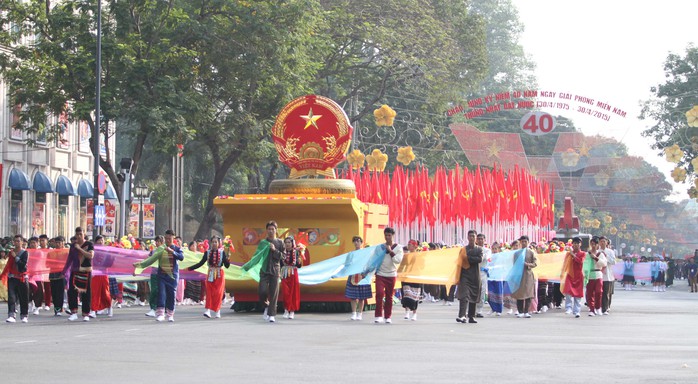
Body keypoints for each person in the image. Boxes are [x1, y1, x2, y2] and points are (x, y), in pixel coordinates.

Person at [133, 229, 184, 322]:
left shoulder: (177, 248)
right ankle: (160, 314)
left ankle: (170, 314)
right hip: (161, 276)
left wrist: (172, 251)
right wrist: (140, 265)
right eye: (166, 238)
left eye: (170, 238)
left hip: (173, 276)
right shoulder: (161, 249)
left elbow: (181, 257)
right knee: (161, 293)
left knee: (171, 295)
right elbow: (151, 260)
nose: (168, 240)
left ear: (173, 238)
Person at [242, 221, 284, 323]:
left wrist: (275, 250)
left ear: (276, 230)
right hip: (264, 271)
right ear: (266, 230)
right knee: (262, 291)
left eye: (272, 229)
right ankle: (266, 306)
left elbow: (283, 257)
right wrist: (247, 266)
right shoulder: (262, 243)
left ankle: (271, 315)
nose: (270, 231)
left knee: (274, 293)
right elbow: (257, 256)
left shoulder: (280, 243)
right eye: (269, 229)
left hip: (275, 270)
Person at [188, 235, 230, 318]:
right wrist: (190, 268)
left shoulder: (222, 253)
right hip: (210, 273)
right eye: (213, 242)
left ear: (219, 243)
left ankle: (217, 311)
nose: (214, 243)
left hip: (219, 274)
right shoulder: (207, 253)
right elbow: (201, 263)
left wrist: (228, 258)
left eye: (216, 242)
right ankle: (208, 310)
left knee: (218, 293)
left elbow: (227, 266)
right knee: (209, 292)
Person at [62, 227, 95, 322]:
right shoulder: (73, 246)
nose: (79, 236)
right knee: (72, 292)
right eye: (77, 234)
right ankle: (74, 313)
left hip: (86, 271)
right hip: (75, 270)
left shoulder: (89, 244)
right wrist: (64, 271)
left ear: (84, 234)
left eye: (81, 234)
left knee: (86, 293)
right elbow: (69, 259)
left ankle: (86, 314)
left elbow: (90, 256)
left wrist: (79, 249)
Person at [373, 227, 403, 324]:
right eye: (386, 235)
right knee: (379, 294)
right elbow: (375, 259)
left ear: (393, 236)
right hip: (380, 274)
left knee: (389, 296)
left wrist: (390, 251)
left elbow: (397, 260)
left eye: (389, 235)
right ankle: (378, 315)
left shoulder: (398, 248)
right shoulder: (380, 247)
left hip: (391, 275)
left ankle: (388, 316)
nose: (387, 237)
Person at [456, 230, 483, 323]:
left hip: (475, 276)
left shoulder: (479, 249)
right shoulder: (463, 249)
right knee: (464, 296)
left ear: (475, 238)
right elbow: (459, 261)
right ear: (467, 238)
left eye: (473, 236)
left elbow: (479, 259)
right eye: (470, 236)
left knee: (474, 296)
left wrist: (467, 258)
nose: (471, 238)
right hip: (464, 276)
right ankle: (462, 315)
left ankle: (471, 316)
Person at [1, 235, 30, 323]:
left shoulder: (25, 253)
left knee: (23, 298)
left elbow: (23, 266)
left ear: (22, 242)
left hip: (22, 278)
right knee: (11, 297)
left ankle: (24, 315)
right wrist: (3, 275)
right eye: (15, 241)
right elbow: (9, 265)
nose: (16, 243)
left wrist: (16, 257)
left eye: (18, 241)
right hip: (12, 277)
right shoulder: (11, 252)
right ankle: (11, 315)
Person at [345, 236, 372, 321]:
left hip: (362, 275)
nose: (356, 243)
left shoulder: (365, 253)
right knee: (352, 296)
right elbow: (347, 264)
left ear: (361, 242)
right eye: (355, 241)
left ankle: (360, 313)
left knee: (362, 296)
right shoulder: (351, 254)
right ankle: (353, 313)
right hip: (353, 275)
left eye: (358, 241)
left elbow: (368, 263)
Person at [512, 236, 537, 319]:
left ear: (528, 242)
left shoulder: (531, 252)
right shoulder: (517, 253)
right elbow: (514, 264)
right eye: (522, 242)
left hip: (528, 275)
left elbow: (535, 263)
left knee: (528, 293)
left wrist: (527, 264)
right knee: (519, 294)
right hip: (519, 275)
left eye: (525, 241)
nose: (523, 243)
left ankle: (526, 311)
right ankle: (520, 311)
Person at [280, 236, 304, 320]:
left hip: (293, 273)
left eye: (289, 242)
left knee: (293, 292)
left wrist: (299, 261)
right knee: (286, 292)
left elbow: (299, 266)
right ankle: (286, 309)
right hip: (285, 273)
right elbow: (280, 264)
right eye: (286, 242)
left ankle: (292, 311)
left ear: (292, 243)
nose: (287, 244)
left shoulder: (296, 252)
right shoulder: (282, 252)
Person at [89, 235, 113, 318]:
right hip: (95, 274)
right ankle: (93, 310)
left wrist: (113, 257)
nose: (101, 242)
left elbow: (110, 263)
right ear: (95, 242)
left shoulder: (107, 251)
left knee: (105, 292)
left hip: (104, 274)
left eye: (102, 240)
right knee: (95, 292)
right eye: (99, 240)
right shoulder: (93, 251)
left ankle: (109, 307)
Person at [562, 237, 585, 318]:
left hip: (578, 275)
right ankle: (568, 308)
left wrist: (573, 255)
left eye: (577, 243)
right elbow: (565, 264)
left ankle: (577, 311)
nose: (575, 245)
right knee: (568, 292)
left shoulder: (582, 254)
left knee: (577, 294)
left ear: (580, 244)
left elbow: (580, 262)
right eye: (574, 243)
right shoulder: (568, 254)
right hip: (570, 275)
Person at [585, 237, 607, 317]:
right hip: (590, 275)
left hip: (598, 274)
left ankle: (598, 307)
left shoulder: (600, 254)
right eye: (592, 244)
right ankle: (591, 309)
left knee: (598, 292)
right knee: (590, 293)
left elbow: (604, 264)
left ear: (597, 245)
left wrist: (596, 258)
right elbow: (584, 264)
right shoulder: (587, 254)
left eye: (595, 244)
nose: (593, 246)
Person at [401, 240, 422, 321]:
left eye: (410, 245)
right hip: (406, 276)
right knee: (406, 293)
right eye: (408, 244)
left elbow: (422, 266)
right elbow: (402, 266)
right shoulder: (406, 255)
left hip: (416, 276)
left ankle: (414, 313)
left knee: (415, 295)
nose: (408, 246)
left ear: (414, 246)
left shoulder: (420, 256)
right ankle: (406, 311)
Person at [145, 236, 164, 317]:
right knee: (154, 291)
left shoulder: (165, 250)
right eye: (156, 241)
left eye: (158, 241)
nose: (157, 243)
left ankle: (161, 309)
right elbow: (147, 261)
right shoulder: (153, 251)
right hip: (154, 273)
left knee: (161, 292)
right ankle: (153, 308)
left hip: (163, 273)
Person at [599, 236, 616, 315]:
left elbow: (613, 262)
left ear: (606, 242)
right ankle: (598, 307)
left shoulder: (610, 251)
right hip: (598, 274)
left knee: (606, 292)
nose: (602, 243)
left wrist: (605, 256)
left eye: (604, 241)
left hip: (607, 275)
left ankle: (605, 308)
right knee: (598, 292)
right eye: (601, 241)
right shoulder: (597, 251)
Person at [475, 233, 490, 317]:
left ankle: (479, 310)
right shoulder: (473, 249)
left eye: (482, 239)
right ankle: (470, 310)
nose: (480, 240)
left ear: (484, 240)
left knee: (482, 291)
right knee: (473, 291)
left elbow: (484, 258)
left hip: (483, 273)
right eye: (479, 239)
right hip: (474, 272)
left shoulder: (487, 250)